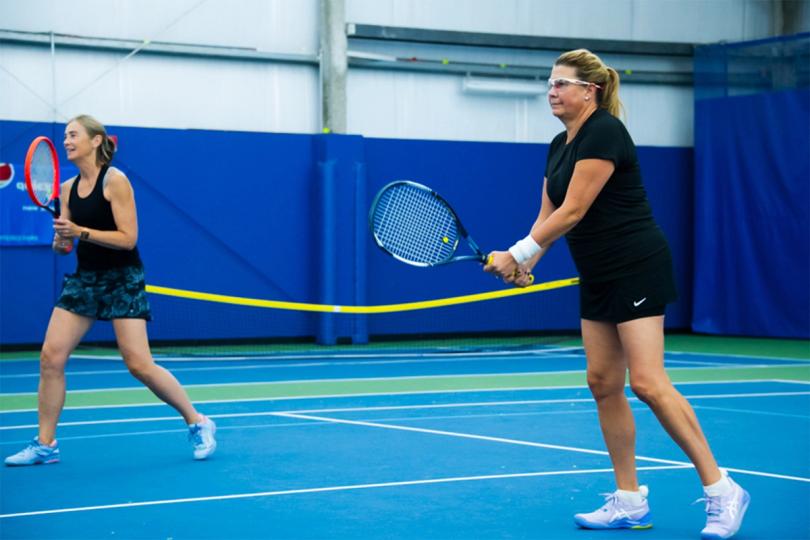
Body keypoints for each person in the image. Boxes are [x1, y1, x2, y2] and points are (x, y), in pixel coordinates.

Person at [484, 50, 749, 540]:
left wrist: (517, 252)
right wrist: (526, 264)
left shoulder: (605, 132)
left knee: (647, 382)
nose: (551, 91)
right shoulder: (558, 145)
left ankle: (722, 489)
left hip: (636, 266)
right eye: (550, 83)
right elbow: (549, 216)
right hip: (598, 273)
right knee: (603, 382)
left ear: (591, 91)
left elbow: (575, 210)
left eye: (562, 83)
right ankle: (629, 501)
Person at [5, 115, 216, 466]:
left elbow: (128, 238)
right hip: (86, 279)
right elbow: (65, 247)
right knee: (50, 357)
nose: (67, 141)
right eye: (66, 136)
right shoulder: (67, 189)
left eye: (74, 135)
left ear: (95, 140)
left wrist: (79, 231)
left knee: (139, 364)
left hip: (122, 278)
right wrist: (62, 240)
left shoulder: (115, 181)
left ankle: (198, 422)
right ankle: (45, 444)